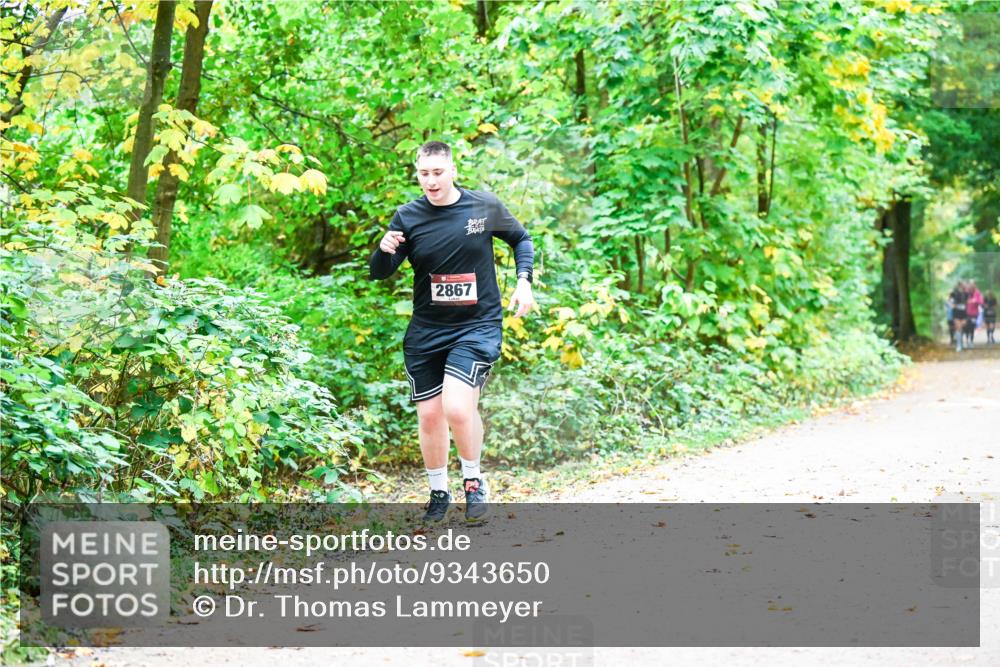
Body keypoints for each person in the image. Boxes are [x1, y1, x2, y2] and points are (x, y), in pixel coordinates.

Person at [369, 141, 535, 522]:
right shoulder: (407, 217)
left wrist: (523, 282)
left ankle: (474, 483)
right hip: (427, 330)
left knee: (457, 407)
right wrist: (383, 249)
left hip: (476, 326)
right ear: (417, 173)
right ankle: (438, 490)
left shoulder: (482, 206)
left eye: (438, 172)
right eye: (424, 173)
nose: (431, 181)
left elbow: (521, 239)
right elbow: (381, 271)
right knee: (429, 416)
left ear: (453, 170)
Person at [949, 281, 968, 352]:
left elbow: (967, 302)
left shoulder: (966, 294)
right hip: (956, 313)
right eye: (962, 285)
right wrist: (955, 305)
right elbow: (950, 302)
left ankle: (961, 342)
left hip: (963, 313)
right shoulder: (953, 293)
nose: (963, 286)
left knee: (962, 327)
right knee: (958, 327)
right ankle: (959, 345)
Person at [965, 279, 984, 347]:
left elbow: (981, 302)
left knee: (972, 327)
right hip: (966, 313)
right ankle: (967, 341)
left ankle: (971, 341)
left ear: (975, 285)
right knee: (966, 327)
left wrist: (974, 301)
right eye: (970, 284)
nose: (971, 285)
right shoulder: (966, 292)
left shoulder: (977, 292)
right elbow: (962, 300)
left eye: (973, 284)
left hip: (974, 313)